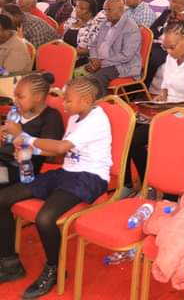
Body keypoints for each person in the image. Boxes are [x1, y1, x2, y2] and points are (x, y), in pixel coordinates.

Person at [0, 77, 111, 298]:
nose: (64, 105)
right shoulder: (77, 115)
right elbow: (58, 152)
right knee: (3, 198)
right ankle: (10, 262)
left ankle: (54, 269)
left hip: (90, 177)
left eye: (68, 101)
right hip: (66, 173)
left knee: (45, 218)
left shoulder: (97, 119)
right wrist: (28, 150)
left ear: (86, 100)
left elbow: (61, 146)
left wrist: (25, 138)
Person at [0, 73, 65, 185]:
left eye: (20, 97)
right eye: (15, 96)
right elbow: (7, 143)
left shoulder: (51, 117)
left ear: (37, 97)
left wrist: (19, 134)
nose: (15, 101)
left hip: (21, 170)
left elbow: (52, 152)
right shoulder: (15, 114)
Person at [86, 0, 142, 96]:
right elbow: (94, 44)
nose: (106, 13)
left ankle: (99, 105)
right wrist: (94, 58)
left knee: (97, 78)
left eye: (109, 10)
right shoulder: (105, 23)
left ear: (121, 10)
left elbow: (126, 56)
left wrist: (102, 63)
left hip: (121, 65)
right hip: (100, 61)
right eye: (104, 10)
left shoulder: (130, 27)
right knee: (78, 71)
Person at [145, 0, 184, 87]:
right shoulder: (166, 13)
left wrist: (161, 30)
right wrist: (162, 31)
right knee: (139, 53)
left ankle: (143, 87)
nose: (173, 4)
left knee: (153, 59)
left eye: (177, 2)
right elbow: (152, 28)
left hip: (171, 48)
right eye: (172, 1)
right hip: (156, 43)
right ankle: (131, 86)